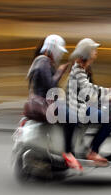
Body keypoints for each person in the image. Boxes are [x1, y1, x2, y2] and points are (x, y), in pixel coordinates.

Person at [26, 34, 83, 171]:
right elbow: (50, 86)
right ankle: (68, 153)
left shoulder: (41, 61)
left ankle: (60, 151)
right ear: (52, 48)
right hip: (48, 105)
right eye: (59, 51)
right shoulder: (43, 61)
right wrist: (60, 71)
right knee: (74, 119)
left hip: (47, 102)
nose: (59, 54)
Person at [65, 38, 111, 166]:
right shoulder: (78, 69)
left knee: (106, 115)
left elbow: (91, 87)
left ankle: (89, 149)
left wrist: (108, 91)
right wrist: (107, 95)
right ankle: (93, 152)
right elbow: (88, 89)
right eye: (93, 50)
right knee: (109, 121)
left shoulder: (84, 68)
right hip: (76, 107)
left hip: (81, 104)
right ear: (87, 53)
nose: (96, 52)